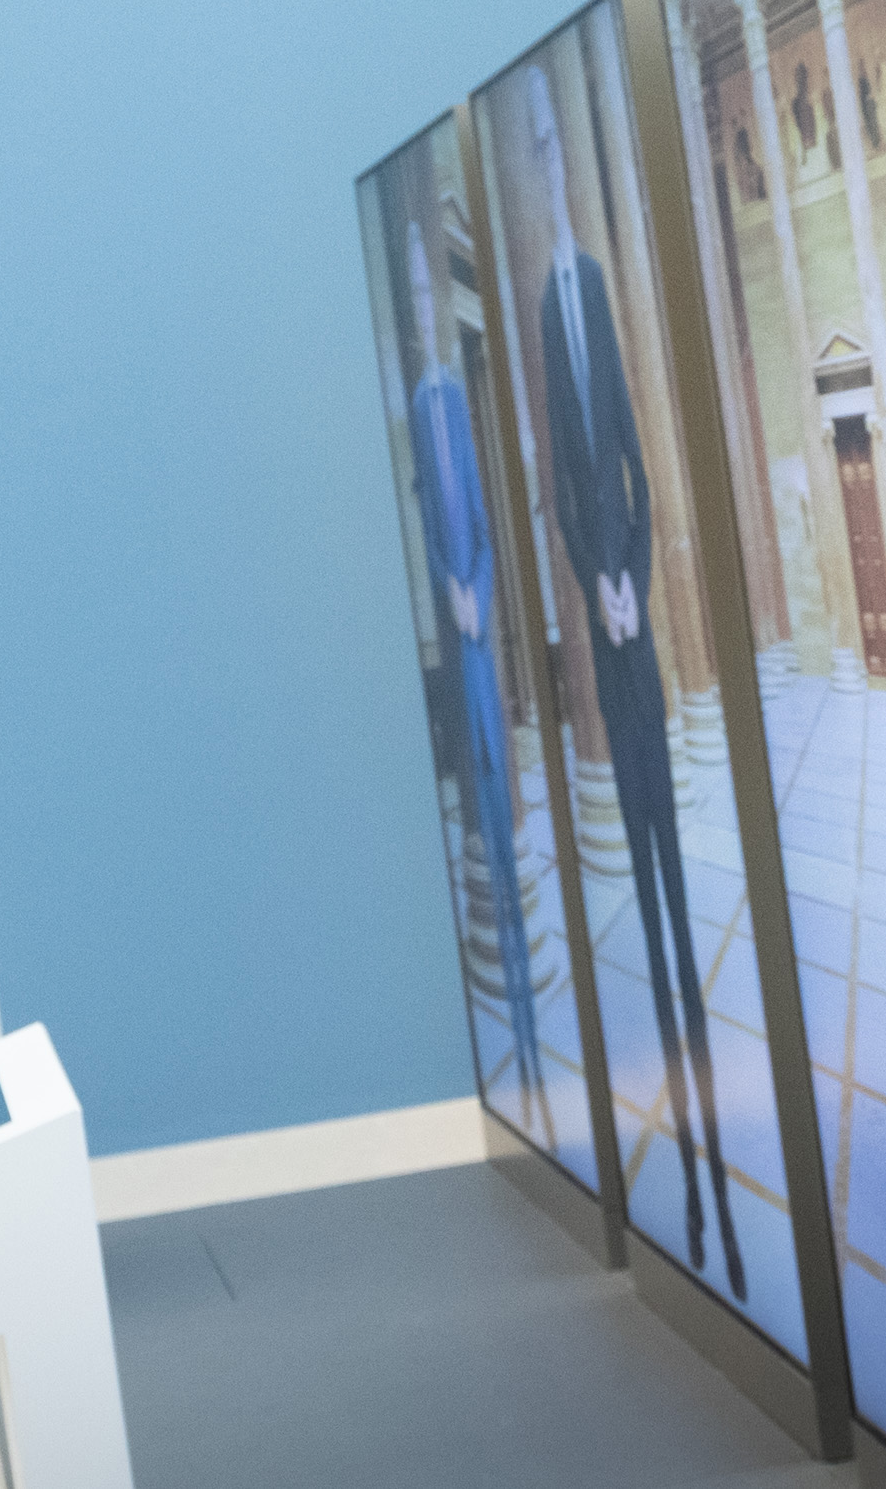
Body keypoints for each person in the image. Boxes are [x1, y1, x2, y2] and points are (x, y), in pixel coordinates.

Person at [522, 63, 745, 1298]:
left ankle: (712, 1152)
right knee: (640, 861)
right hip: (599, 612)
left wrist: (635, 584)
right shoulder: (536, 302)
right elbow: (563, 480)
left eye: (556, 144)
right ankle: (667, 1044)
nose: (551, 161)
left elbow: (632, 464)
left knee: (664, 835)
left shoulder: (594, 285)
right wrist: (590, 578)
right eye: (540, 148)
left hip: (633, 614)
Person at [403, 212, 544, 1114]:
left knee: (502, 811)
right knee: (479, 822)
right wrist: (442, 592)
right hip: (451, 661)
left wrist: (476, 595)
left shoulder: (454, 398)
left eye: (432, 290)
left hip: (479, 642)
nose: (427, 305)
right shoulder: (414, 410)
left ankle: (529, 1027)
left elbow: (484, 531)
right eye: (418, 292)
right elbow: (424, 527)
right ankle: (513, 1041)